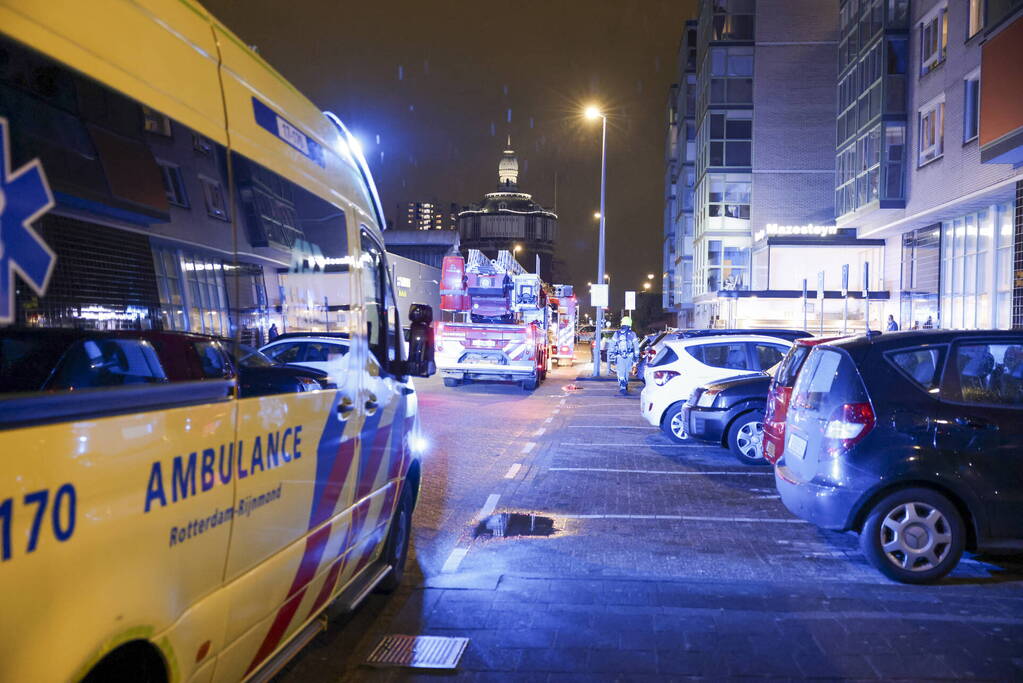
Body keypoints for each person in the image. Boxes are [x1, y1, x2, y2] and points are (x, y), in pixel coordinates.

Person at [608, 316, 640, 395]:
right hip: (629, 356)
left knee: (620, 371)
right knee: (626, 371)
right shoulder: (632, 334)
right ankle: (625, 384)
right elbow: (636, 347)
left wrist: (611, 356)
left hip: (619, 356)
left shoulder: (617, 334)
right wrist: (636, 358)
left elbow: (612, 345)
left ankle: (622, 386)